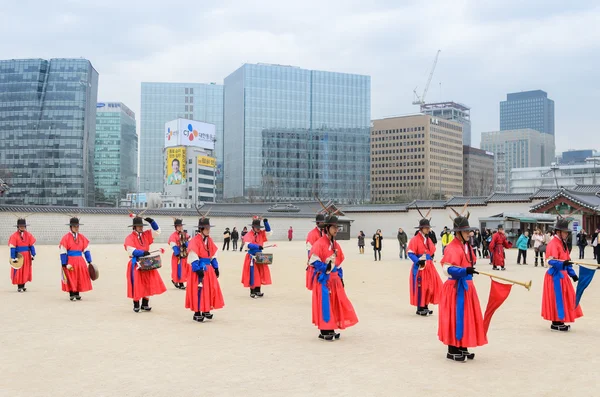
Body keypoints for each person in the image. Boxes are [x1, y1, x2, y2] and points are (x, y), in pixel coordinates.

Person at [438, 213, 487, 362]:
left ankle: (463, 346)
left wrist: (469, 271)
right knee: (454, 317)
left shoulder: (467, 246)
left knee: (466, 317)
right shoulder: (452, 248)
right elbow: (447, 269)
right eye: (466, 231)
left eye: (469, 231)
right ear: (458, 233)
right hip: (454, 288)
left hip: (466, 287)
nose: (469, 233)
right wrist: (464, 271)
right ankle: (452, 349)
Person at [309, 214, 358, 341]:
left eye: (337, 227)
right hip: (324, 280)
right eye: (334, 227)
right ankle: (324, 330)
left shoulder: (335, 245)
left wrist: (339, 276)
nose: (336, 230)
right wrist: (325, 267)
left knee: (335, 304)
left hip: (334, 279)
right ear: (327, 228)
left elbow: (339, 261)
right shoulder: (319, 243)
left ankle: (331, 328)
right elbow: (313, 261)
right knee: (325, 304)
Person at [541, 218, 583, 332]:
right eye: (564, 232)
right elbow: (550, 261)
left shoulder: (562, 243)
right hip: (555, 276)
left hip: (563, 276)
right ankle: (556, 322)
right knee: (557, 299)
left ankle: (559, 321)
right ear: (558, 232)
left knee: (565, 298)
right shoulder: (552, 243)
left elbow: (567, 261)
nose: (566, 234)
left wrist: (572, 274)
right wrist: (561, 264)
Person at [124, 216, 167, 312]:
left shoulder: (146, 235)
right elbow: (131, 250)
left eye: (142, 226)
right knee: (137, 283)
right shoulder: (129, 238)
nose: (141, 228)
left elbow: (157, 231)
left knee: (148, 282)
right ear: (134, 227)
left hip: (147, 262)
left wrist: (152, 222)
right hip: (136, 263)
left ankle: (145, 303)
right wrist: (142, 253)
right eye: (139, 226)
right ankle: (136, 304)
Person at [186, 217, 225, 322]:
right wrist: (197, 268)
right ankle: (197, 312)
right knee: (198, 290)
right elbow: (193, 255)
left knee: (209, 289)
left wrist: (215, 267)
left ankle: (206, 309)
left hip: (209, 270)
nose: (208, 230)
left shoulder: (210, 240)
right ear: (201, 229)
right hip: (199, 269)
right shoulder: (194, 241)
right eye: (206, 228)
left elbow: (213, 254)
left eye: (209, 228)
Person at [407, 218, 442, 316]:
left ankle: (426, 306)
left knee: (429, 286)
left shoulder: (428, 239)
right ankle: (420, 308)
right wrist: (417, 261)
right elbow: (410, 253)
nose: (428, 229)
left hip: (429, 266)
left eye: (428, 228)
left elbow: (431, 250)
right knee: (421, 287)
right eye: (426, 228)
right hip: (421, 267)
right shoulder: (415, 239)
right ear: (421, 228)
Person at [59, 217, 93, 301]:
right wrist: (64, 262)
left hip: (80, 260)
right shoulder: (65, 238)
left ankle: (77, 293)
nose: (76, 228)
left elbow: (86, 249)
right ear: (70, 227)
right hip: (70, 260)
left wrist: (89, 260)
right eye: (74, 226)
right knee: (71, 277)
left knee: (79, 276)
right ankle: (71, 293)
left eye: (77, 226)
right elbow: (63, 250)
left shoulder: (82, 237)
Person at [241, 217, 272, 298]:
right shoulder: (248, 235)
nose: (258, 229)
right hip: (251, 257)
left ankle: (258, 291)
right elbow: (248, 245)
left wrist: (266, 222)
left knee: (261, 273)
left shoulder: (261, 233)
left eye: (259, 227)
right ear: (253, 227)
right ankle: (252, 291)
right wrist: (257, 246)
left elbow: (268, 232)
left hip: (260, 256)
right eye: (257, 227)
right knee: (253, 274)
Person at [8, 218, 36, 292]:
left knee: (25, 270)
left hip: (27, 255)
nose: (22, 227)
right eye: (20, 226)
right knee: (18, 270)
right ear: (18, 227)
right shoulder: (14, 236)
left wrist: (33, 254)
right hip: (19, 255)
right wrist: (13, 257)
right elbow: (12, 248)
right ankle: (19, 286)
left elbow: (31, 246)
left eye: (23, 226)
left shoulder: (29, 235)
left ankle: (23, 285)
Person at [305, 214, 325, 290]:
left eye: (323, 222)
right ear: (317, 223)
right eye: (321, 222)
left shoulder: (325, 232)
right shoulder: (312, 234)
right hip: (316, 261)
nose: (323, 224)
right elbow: (309, 249)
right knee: (316, 284)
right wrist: (313, 261)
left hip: (325, 260)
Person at [168, 218, 189, 290]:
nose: (180, 227)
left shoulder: (185, 234)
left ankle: (176, 281)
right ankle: (180, 283)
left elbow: (189, 242)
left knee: (184, 269)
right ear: (176, 227)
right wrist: (177, 253)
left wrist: (186, 244)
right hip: (177, 256)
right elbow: (173, 245)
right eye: (178, 226)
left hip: (185, 254)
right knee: (178, 269)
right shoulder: (173, 236)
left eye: (181, 226)